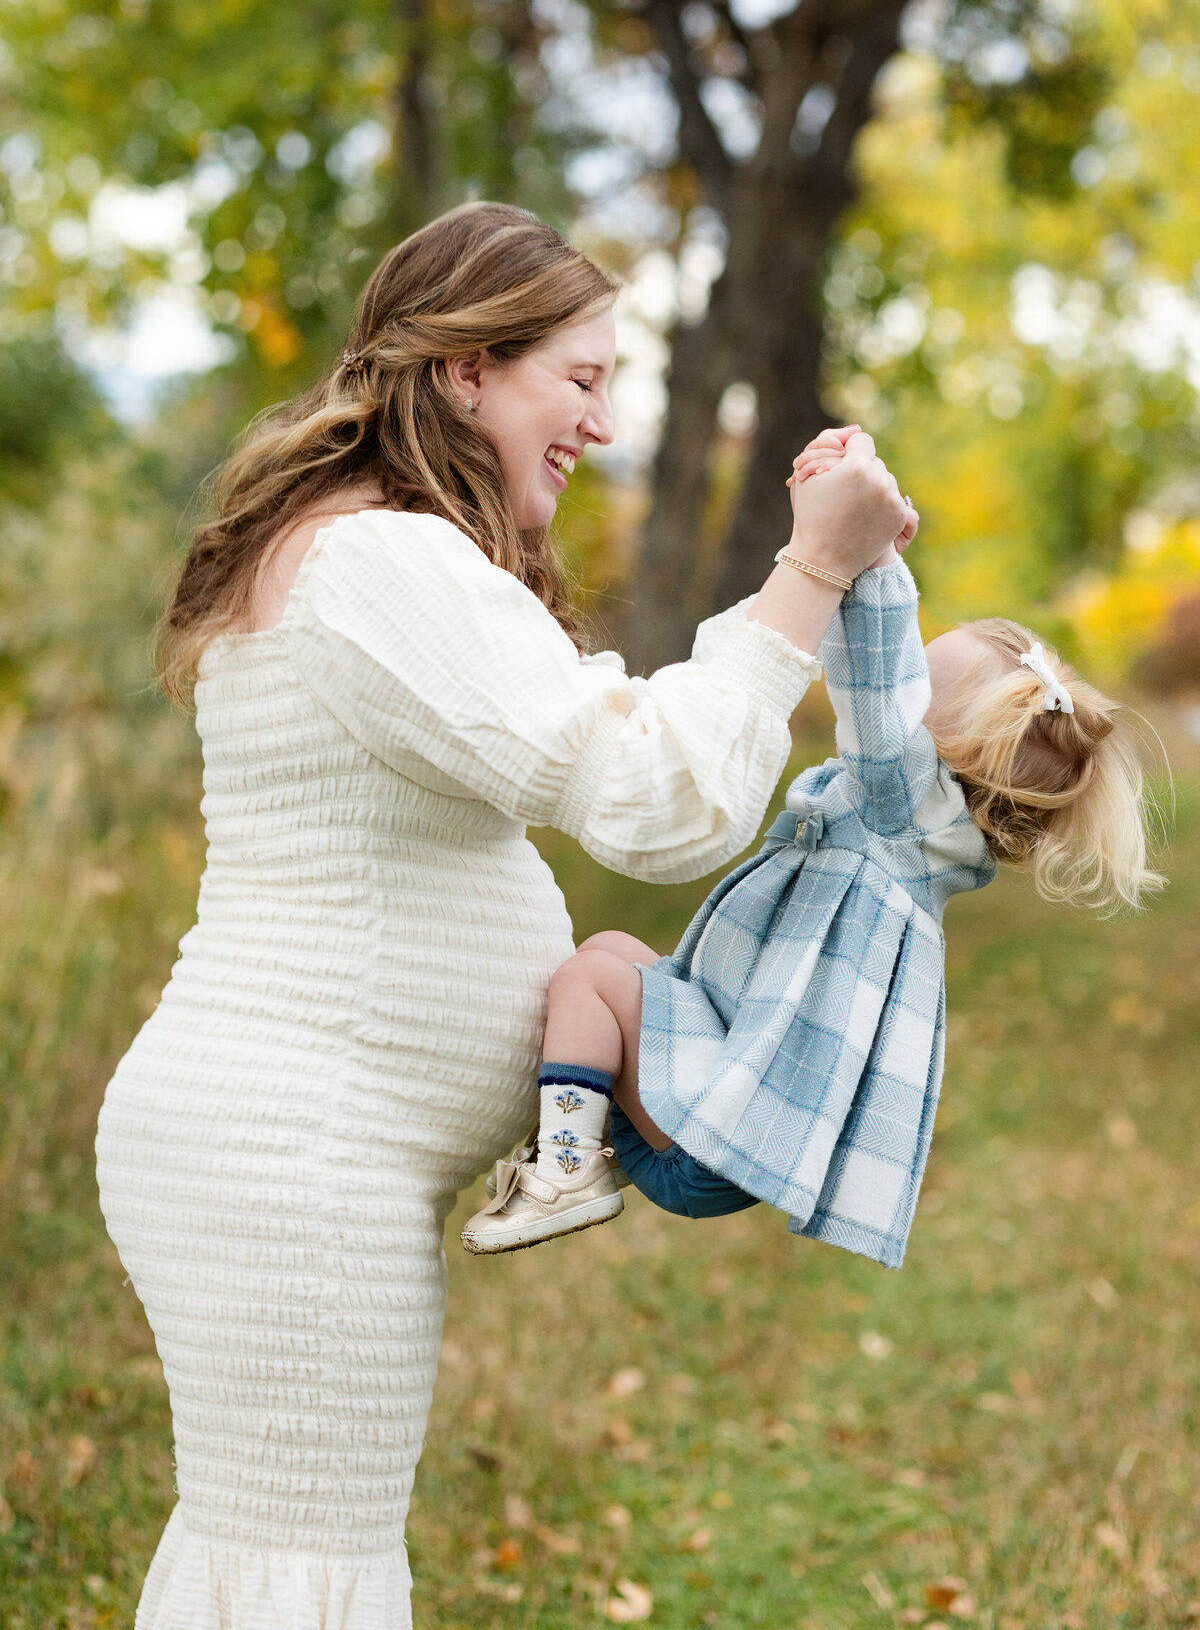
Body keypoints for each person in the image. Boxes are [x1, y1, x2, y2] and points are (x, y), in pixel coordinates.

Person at [94, 200, 915, 1630]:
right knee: (302, 1577)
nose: (598, 421)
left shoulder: (377, 552)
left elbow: (606, 747)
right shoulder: (378, 564)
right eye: (580, 378)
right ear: (467, 369)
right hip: (289, 1159)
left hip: (290, 1151)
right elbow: (659, 804)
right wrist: (811, 574)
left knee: (269, 1562)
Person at [461, 470, 1162, 1268]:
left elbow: (872, 680)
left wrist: (875, 561)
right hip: (734, 1108)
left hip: (712, 1134)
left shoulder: (899, 810)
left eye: (917, 678)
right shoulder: (922, 845)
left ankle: (566, 1170)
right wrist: (855, 555)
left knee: (589, 983)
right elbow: (837, 654)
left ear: (946, 748)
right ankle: (583, 1127)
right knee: (613, 950)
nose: (892, 682)